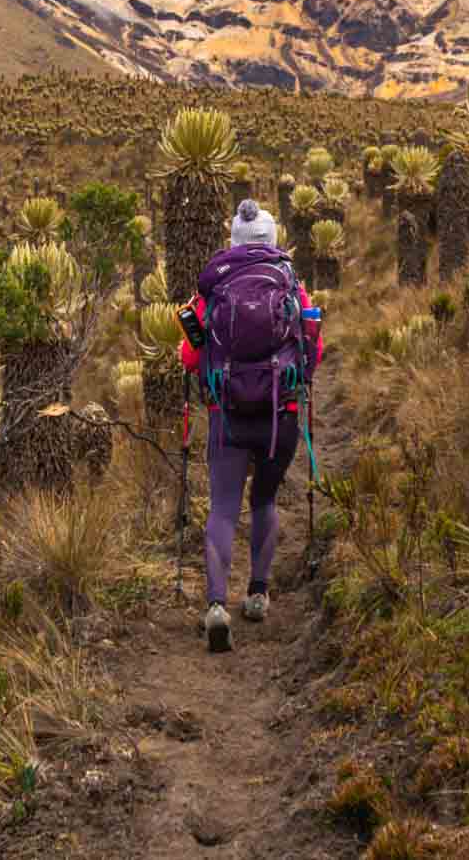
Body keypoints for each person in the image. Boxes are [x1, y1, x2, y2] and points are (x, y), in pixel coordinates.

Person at [180, 200, 323, 653]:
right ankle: (258, 594)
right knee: (264, 500)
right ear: (274, 238)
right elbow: (311, 354)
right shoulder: (291, 285)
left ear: (234, 241)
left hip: (228, 414)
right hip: (280, 416)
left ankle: (217, 605)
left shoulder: (213, 287)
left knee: (223, 507)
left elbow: (189, 357)